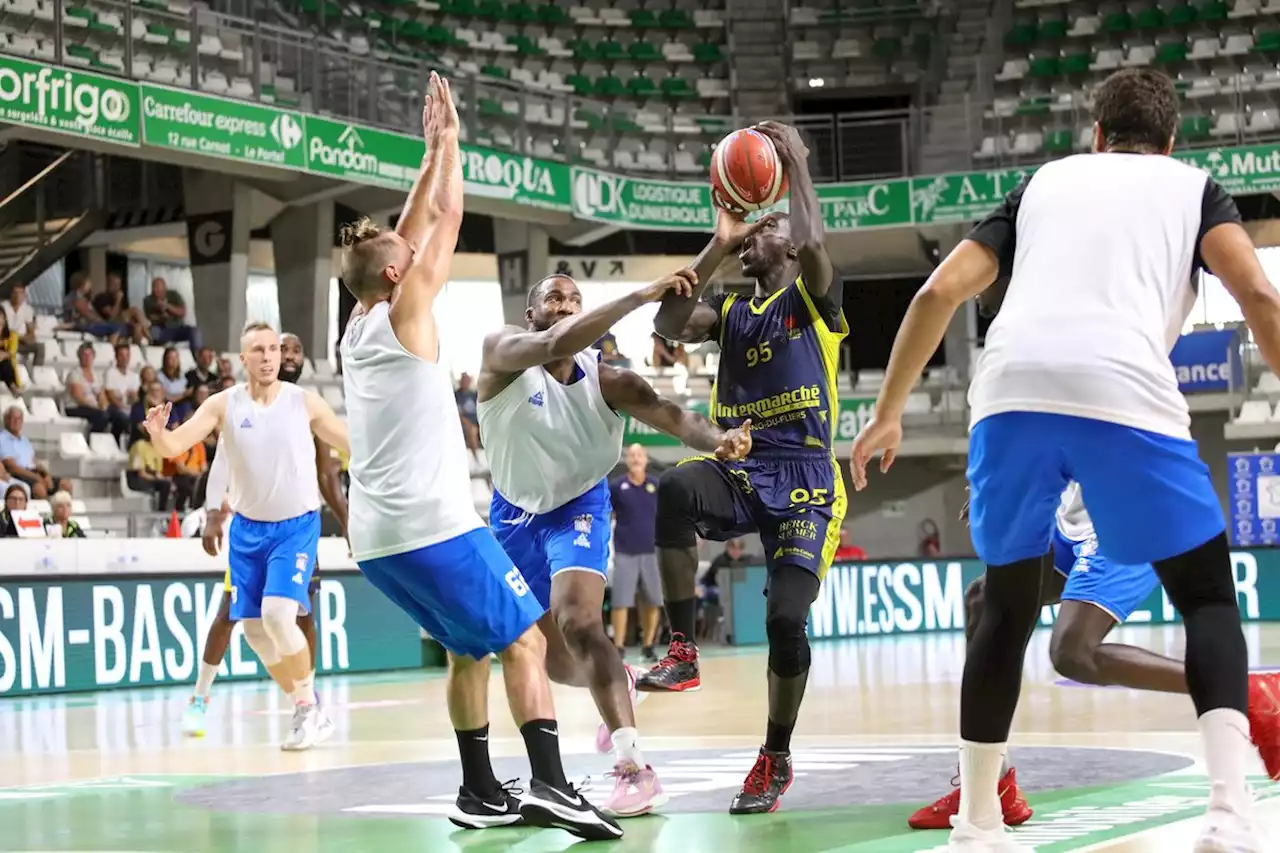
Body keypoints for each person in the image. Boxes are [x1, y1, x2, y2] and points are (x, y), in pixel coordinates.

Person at [850, 68, 1276, 852]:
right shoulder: (1194, 188)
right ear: (1171, 142)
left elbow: (937, 295)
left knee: (1004, 610)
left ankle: (978, 824)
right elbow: (1258, 293)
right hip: (1122, 386)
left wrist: (887, 413)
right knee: (1209, 599)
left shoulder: (1041, 184)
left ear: (1097, 136)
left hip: (1008, 390)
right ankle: (1228, 813)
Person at [336, 73, 618, 840]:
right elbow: (447, 214)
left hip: (378, 541)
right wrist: (454, 144)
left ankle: (478, 789)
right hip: (432, 525)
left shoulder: (359, 323)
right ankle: (554, 784)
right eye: (406, 251)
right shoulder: (404, 312)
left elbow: (412, 217)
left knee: (470, 652)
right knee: (525, 637)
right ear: (397, 274)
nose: (413, 240)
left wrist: (432, 151)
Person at [477, 271, 751, 818]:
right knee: (546, 656)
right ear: (531, 315)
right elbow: (556, 344)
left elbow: (675, 418)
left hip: (579, 506)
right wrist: (642, 295)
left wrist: (720, 439)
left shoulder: (610, 382)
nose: (566, 305)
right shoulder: (502, 353)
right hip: (512, 514)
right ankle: (620, 679)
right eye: (553, 298)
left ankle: (633, 767)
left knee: (580, 622)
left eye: (576, 300)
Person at [641, 120, 848, 816]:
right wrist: (718, 243)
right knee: (672, 487)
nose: (757, 230)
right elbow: (668, 325)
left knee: (786, 620)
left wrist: (796, 162)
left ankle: (776, 752)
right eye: (753, 227)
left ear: (787, 245)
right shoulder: (731, 310)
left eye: (767, 226)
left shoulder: (814, 301)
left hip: (807, 480)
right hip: (742, 462)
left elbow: (816, 243)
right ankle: (681, 646)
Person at [142, 321, 348, 751]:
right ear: (244, 359)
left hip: (295, 527)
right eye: (260, 350)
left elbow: (353, 442)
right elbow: (174, 445)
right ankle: (306, 708)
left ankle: (308, 708)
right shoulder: (224, 405)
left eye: (274, 348)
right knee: (254, 631)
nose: (270, 356)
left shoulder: (304, 403)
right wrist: (160, 433)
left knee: (277, 617)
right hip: (247, 531)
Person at [609, 443, 664, 662]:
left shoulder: (656, 486)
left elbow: (667, 515)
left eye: (639, 454)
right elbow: (607, 515)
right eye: (631, 455)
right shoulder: (616, 487)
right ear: (627, 460)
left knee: (653, 600)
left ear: (646, 459)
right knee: (621, 601)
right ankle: (618, 647)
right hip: (625, 551)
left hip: (653, 550)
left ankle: (648, 645)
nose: (635, 458)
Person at [0, 405, 53, 498]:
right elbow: (13, 468)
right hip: (19, 474)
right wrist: (37, 478)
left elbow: (34, 461)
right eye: (13, 418)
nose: (17, 421)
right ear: (6, 420)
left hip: (33, 472)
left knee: (65, 483)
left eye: (19, 418)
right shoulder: (3, 439)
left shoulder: (25, 440)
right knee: (39, 489)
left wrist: (46, 474)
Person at [143, 277, 201, 349]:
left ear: (164, 288)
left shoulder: (174, 295)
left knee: (194, 331)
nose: (157, 290)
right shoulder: (148, 300)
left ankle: (198, 353)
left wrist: (167, 306)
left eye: (159, 287)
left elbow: (182, 312)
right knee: (152, 332)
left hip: (177, 328)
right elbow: (149, 318)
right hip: (161, 330)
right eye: (154, 287)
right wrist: (161, 317)